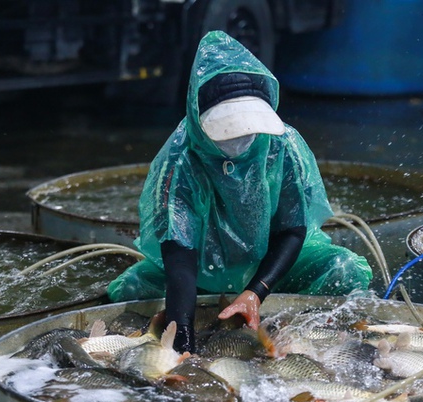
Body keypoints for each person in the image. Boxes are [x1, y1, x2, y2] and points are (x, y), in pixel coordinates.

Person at [107, 31, 372, 353]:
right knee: (130, 291)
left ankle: (301, 335)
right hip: (202, 274)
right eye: (227, 129)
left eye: (247, 128)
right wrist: (183, 338)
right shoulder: (181, 160)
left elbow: (292, 229)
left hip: (275, 267)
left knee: (343, 270)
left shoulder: (281, 145)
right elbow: (180, 256)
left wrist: (256, 292)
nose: (240, 138)